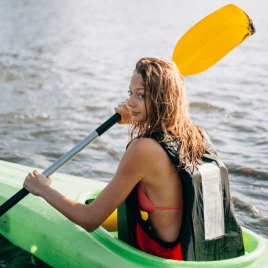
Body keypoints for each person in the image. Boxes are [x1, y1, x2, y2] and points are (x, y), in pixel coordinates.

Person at [24, 57, 244, 261]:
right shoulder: (196, 135)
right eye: (130, 93)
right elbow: (165, 144)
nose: (129, 102)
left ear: (163, 100)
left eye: (141, 95)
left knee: (94, 206)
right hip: (195, 251)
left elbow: (90, 219)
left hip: (164, 256)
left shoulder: (142, 150)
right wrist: (136, 118)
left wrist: (42, 188)